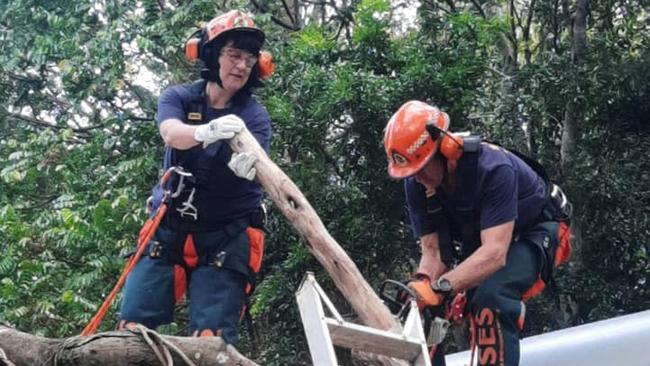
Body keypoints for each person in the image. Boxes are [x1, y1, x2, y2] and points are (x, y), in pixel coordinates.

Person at [118, 10, 274, 345]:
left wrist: (247, 170)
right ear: (210, 55)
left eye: (249, 59)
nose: (242, 66)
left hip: (226, 233)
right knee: (131, 332)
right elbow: (172, 134)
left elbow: (258, 163)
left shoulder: (254, 115)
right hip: (169, 227)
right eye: (234, 55)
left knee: (211, 341)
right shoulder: (179, 97)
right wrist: (207, 131)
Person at [383, 101, 572, 365]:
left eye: (422, 167)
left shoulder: (493, 168)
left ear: (443, 147)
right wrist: (423, 289)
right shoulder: (416, 183)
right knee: (425, 309)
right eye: (411, 172)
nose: (417, 178)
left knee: (492, 297)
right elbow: (433, 252)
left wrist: (442, 287)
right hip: (486, 243)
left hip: (537, 230)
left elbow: (495, 254)